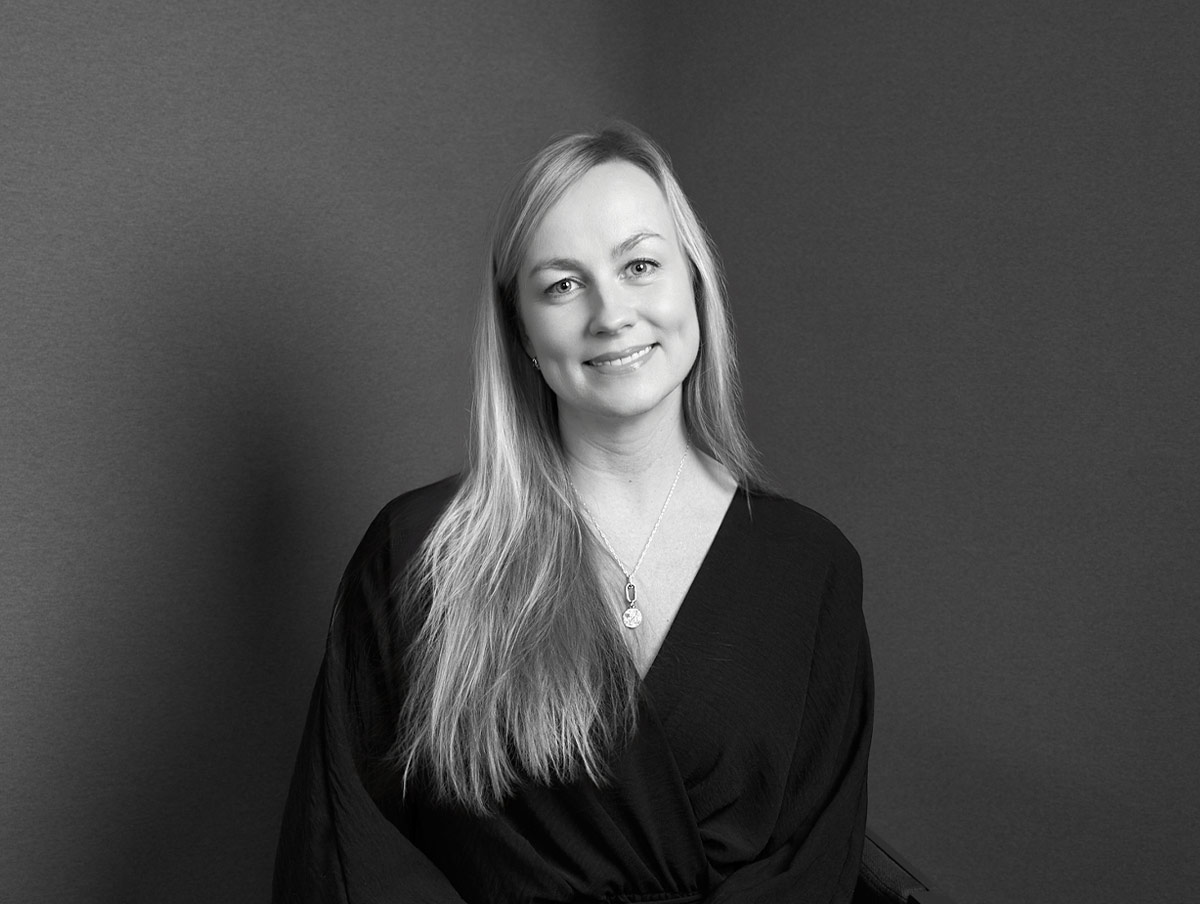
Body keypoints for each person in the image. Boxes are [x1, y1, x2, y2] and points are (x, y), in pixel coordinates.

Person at [273, 124, 873, 903]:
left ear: (693, 283)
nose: (610, 313)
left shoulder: (812, 569)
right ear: (521, 331)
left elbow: (815, 865)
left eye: (640, 265)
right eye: (562, 285)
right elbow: (347, 853)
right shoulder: (417, 554)